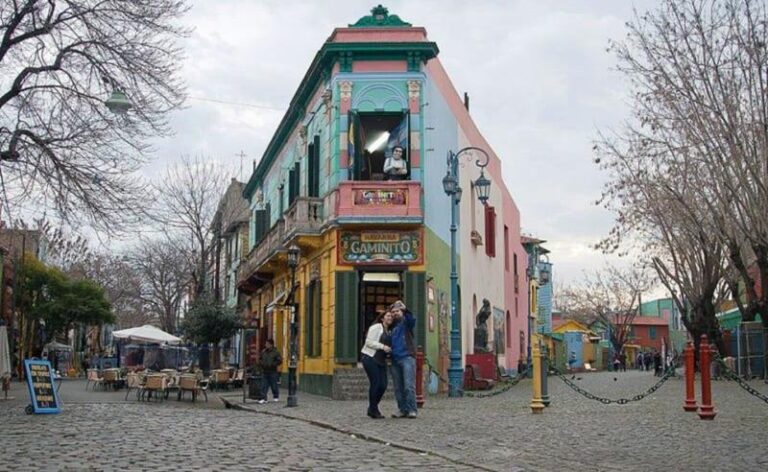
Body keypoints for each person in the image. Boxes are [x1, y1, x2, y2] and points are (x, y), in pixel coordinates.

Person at [361, 311, 393, 419]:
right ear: (382, 318)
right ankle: (374, 409)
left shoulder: (389, 331)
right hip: (370, 358)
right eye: (388, 316)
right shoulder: (376, 327)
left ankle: (372, 407)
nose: (390, 317)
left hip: (381, 360)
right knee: (376, 383)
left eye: (391, 316)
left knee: (383, 385)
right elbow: (368, 342)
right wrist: (382, 347)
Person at [389, 300, 417, 418]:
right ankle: (402, 409)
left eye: (397, 311)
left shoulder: (406, 323)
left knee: (408, 385)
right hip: (394, 360)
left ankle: (411, 409)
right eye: (393, 312)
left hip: (407, 357)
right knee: (398, 387)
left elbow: (412, 319)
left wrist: (406, 310)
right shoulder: (390, 326)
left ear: (402, 311)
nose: (395, 313)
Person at [258, 339, 282, 404]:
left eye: (267, 344)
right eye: (266, 344)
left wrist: (273, 364)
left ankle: (276, 396)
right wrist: (261, 363)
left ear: (271, 345)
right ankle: (263, 398)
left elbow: (279, 360)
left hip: (273, 371)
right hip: (265, 371)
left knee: (274, 385)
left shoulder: (275, 352)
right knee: (263, 385)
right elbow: (260, 359)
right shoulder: (263, 352)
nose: (266, 345)